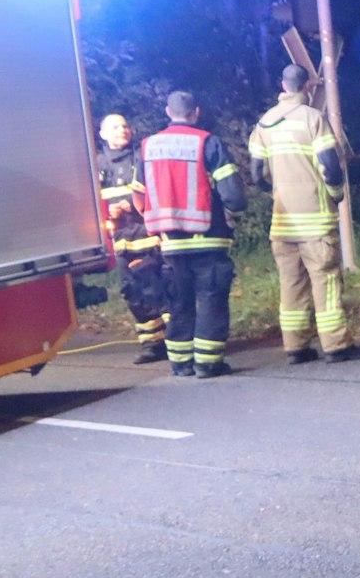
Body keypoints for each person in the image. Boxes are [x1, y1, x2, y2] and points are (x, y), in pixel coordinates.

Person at [249, 66, 360, 365]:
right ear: (309, 86)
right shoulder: (313, 118)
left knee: (291, 285)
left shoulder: (264, 124)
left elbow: (255, 173)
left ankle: (296, 347)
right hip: (314, 221)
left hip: (282, 223)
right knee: (325, 283)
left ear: (282, 84)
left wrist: (276, 192)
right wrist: (336, 193)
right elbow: (330, 163)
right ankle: (336, 345)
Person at [141, 90, 248, 378]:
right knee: (211, 300)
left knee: (178, 302)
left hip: (170, 244)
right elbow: (233, 195)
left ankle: (180, 363)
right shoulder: (208, 143)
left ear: (167, 111)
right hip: (208, 239)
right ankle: (208, 363)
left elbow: (140, 195)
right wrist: (234, 214)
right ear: (196, 112)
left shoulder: (148, 147)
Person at [96, 113, 168, 365]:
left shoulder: (141, 157)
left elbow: (157, 190)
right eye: (115, 127)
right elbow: (91, 201)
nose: (122, 130)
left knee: (157, 288)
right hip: (119, 240)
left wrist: (132, 205)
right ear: (102, 134)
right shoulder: (97, 164)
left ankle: (176, 338)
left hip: (146, 237)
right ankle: (152, 343)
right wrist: (108, 211)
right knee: (132, 292)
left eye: (125, 126)